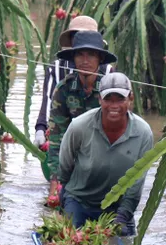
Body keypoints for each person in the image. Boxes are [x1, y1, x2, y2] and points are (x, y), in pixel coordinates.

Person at [57, 72, 154, 237]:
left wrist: (123, 215)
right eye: (108, 99)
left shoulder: (143, 133)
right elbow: (65, 165)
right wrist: (65, 197)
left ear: (131, 99)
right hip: (80, 201)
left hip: (118, 208)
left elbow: (137, 182)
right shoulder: (79, 126)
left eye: (120, 99)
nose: (114, 105)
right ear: (100, 100)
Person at [46, 30, 116, 196]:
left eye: (91, 55)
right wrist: (55, 182)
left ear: (100, 59)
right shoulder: (63, 89)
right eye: (80, 55)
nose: (85, 61)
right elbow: (57, 139)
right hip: (75, 153)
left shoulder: (112, 91)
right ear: (73, 59)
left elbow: (123, 135)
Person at [34, 16, 112, 155]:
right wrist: (40, 130)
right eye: (78, 37)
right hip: (63, 133)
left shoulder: (107, 71)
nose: (85, 59)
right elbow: (49, 102)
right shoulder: (56, 68)